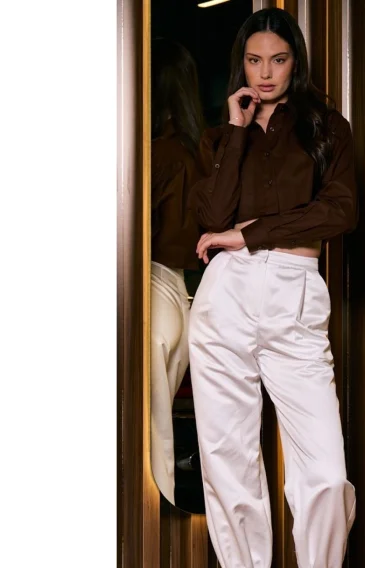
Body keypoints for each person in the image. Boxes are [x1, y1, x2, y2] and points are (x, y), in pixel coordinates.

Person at [187, 8, 363, 568]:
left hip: (293, 292)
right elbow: (210, 217)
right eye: (254, 61)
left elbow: (339, 212)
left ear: (297, 62)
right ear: (242, 64)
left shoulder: (326, 128)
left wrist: (249, 232)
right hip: (225, 301)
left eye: (278, 60)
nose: (265, 74)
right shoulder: (222, 134)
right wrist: (235, 132)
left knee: (324, 471)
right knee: (229, 462)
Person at [150, 38, 205, 506]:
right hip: (182, 294)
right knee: (158, 432)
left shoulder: (153, 155)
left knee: (145, 440)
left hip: (148, 287)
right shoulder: (200, 154)